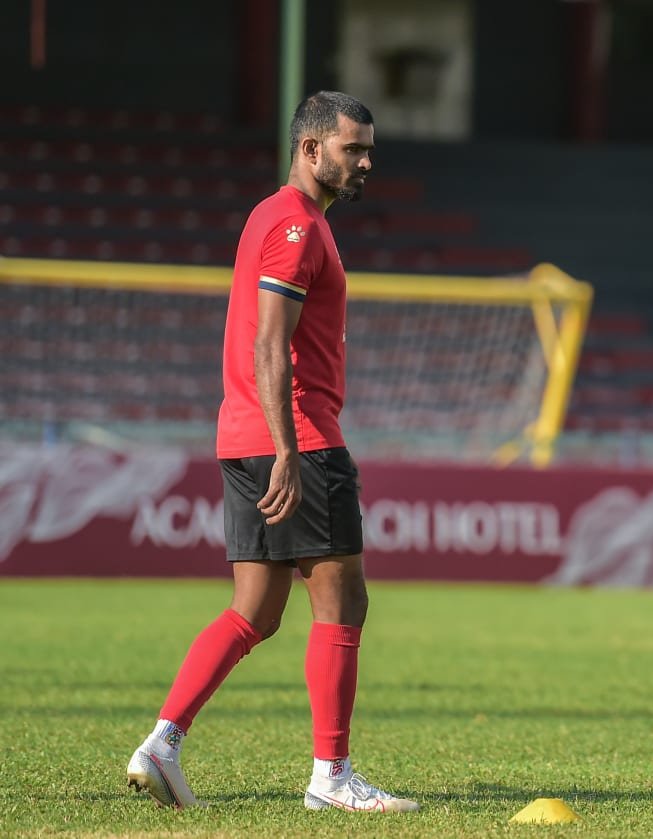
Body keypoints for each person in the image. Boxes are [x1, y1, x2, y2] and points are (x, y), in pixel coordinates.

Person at [126, 91, 417, 813]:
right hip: (298, 439)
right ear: (311, 150)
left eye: (369, 149)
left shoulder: (276, 215)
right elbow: (269, 343)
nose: (366, 162)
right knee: (343, 600)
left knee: (255, 610)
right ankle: (332, 775)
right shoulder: (296, 225)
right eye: (353, 149)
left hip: (245, 435)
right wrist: (289, 448)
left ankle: (162, 743)